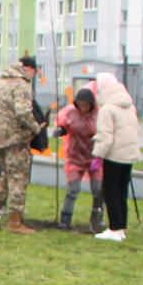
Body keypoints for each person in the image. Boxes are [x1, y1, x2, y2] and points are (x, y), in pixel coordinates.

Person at [0, 55, 46, 233]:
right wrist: (36, 128)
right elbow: (23, 112)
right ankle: (15, 222)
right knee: (18, 178)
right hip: (16, 138)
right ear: (29, 69)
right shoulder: (21, 85)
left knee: (5, 175)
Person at [90, 72, 142, 242]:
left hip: (114, 156)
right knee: (122, 192)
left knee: (111, 192)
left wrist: (97, 156)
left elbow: (105, 137)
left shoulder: (107, 109)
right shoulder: (129, 106)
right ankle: (121, 227)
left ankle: (114, 228)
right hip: (129, 155)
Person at [55, 86, 101, 231]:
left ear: (91, 104)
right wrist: (61, 131)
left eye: (86, 105)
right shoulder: (70, 113)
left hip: (94, 157)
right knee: (73, 189)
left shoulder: (99, 115)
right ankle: (65, 219)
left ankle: (96, 220)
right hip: (75, 156)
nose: (83, 107)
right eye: (80, 104)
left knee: (98, 189)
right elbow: (64, 126)